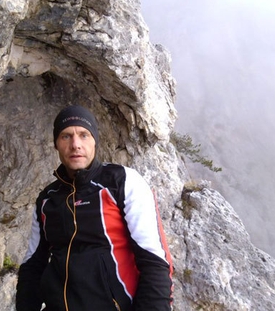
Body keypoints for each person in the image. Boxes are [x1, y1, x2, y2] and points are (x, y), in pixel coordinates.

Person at [16, 105, 173, 311]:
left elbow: (154, 260)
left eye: (84, 135)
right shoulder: (47, 199)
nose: (75, 144)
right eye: (66, 136)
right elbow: (32, 266)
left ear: (94, 141)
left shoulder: (122, 181)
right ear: (56, 144)